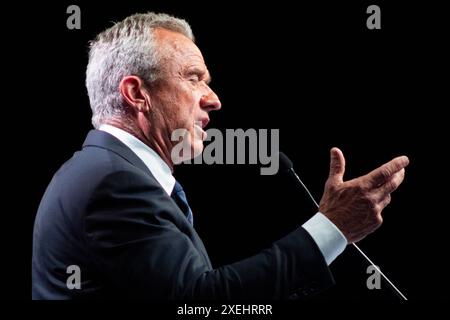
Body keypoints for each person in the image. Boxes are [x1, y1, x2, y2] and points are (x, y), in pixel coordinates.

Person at [32, 12, 409, 299]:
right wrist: (333, 228)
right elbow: (200, 301)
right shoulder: (113, 183)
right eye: (194, 78)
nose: (213, 100)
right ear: (137, 94)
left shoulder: (101, 169)